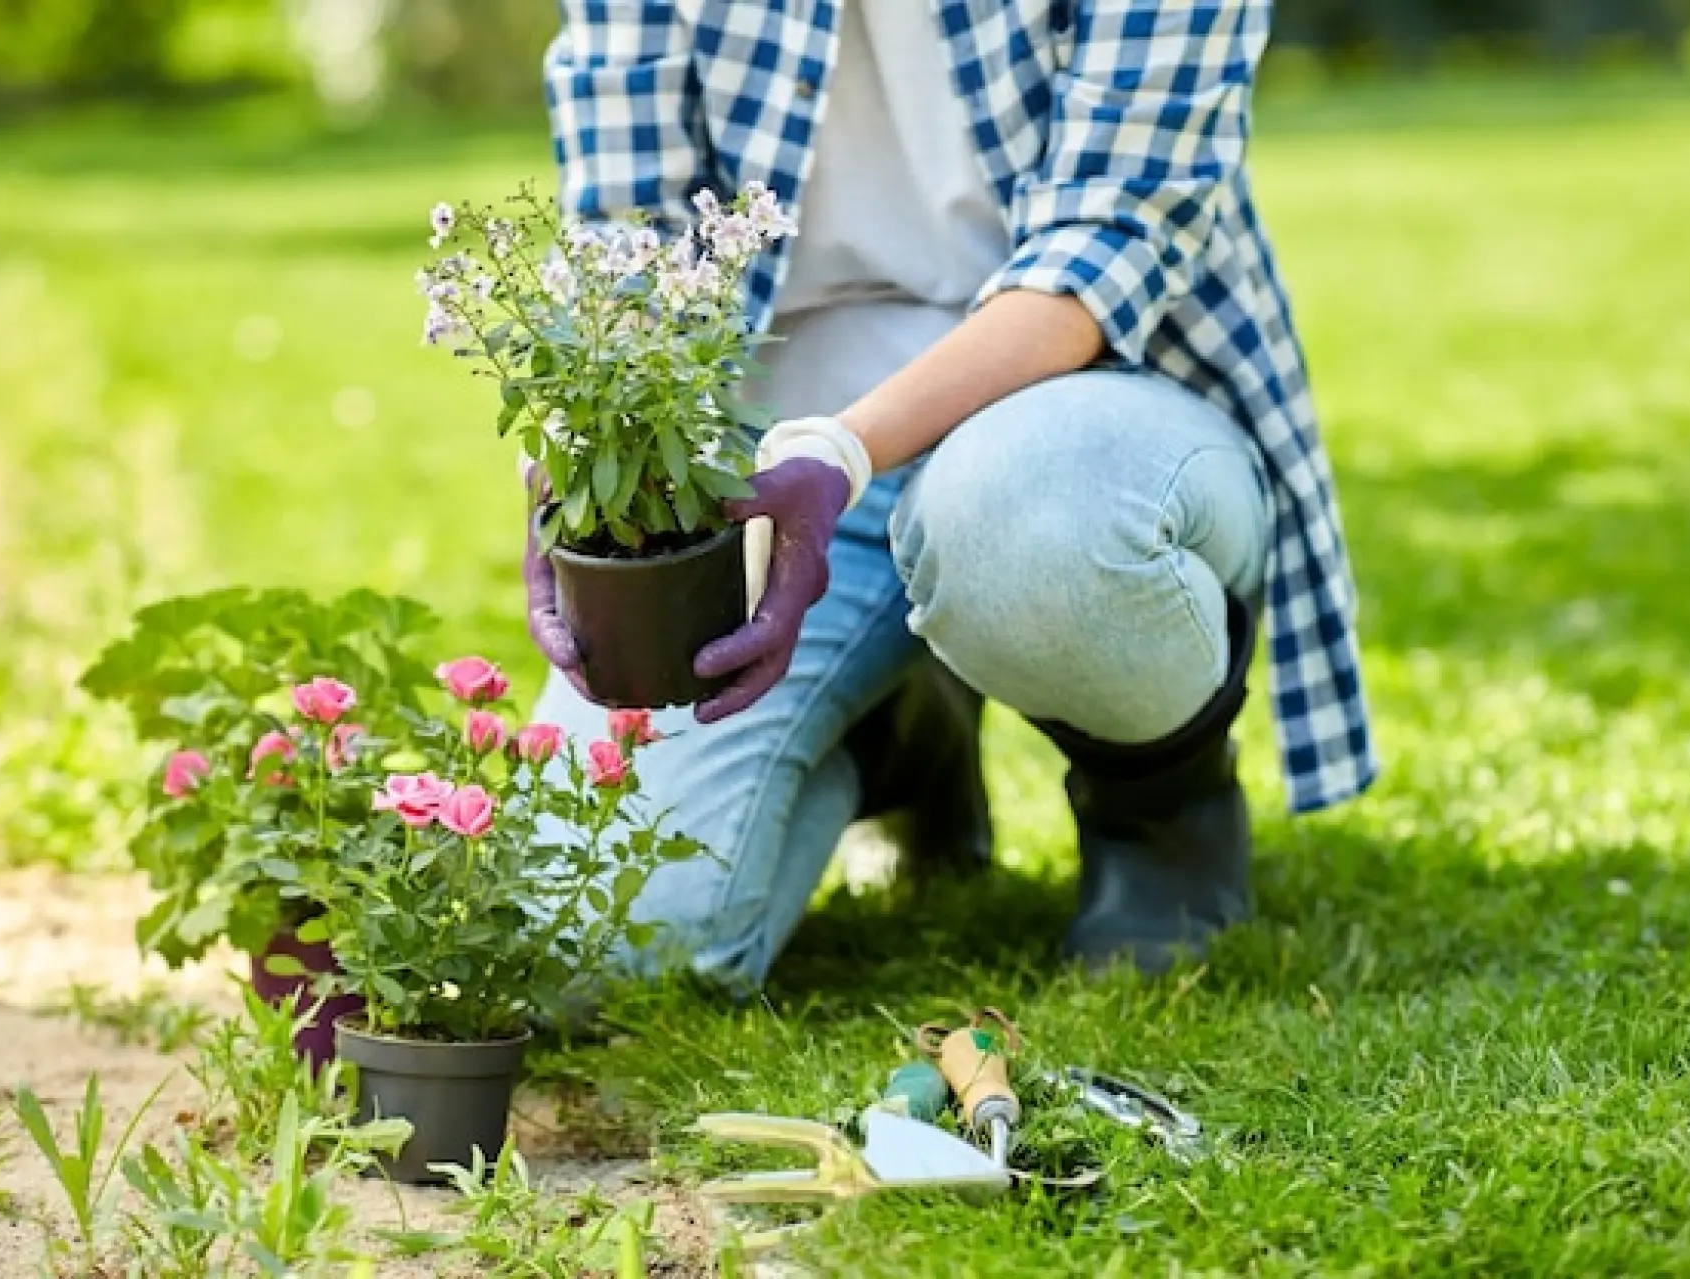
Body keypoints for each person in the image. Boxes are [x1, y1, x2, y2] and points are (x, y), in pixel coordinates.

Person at [524, 0, 1377, 989]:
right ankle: (900, 737)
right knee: (598, 951)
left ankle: (1158, 804)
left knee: (1035, 525)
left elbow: (1106, 241)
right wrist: (588, 464)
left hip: (1081, 409)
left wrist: (843, 451)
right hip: (762, 463)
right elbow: (626, 230)